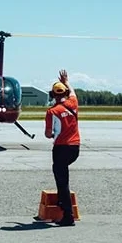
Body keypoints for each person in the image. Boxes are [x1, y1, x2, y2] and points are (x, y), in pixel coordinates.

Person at [44, 69, 80, 226]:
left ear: (53, 95)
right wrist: (67, 81)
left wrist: (53, 135)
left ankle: (68, 215)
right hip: (75, 148)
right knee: (62, 175)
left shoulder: (52, 111)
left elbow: (47, 133)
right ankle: (61, 201)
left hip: (61, 148)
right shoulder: (73, 104)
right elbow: (73, 92)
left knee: (62, 180)